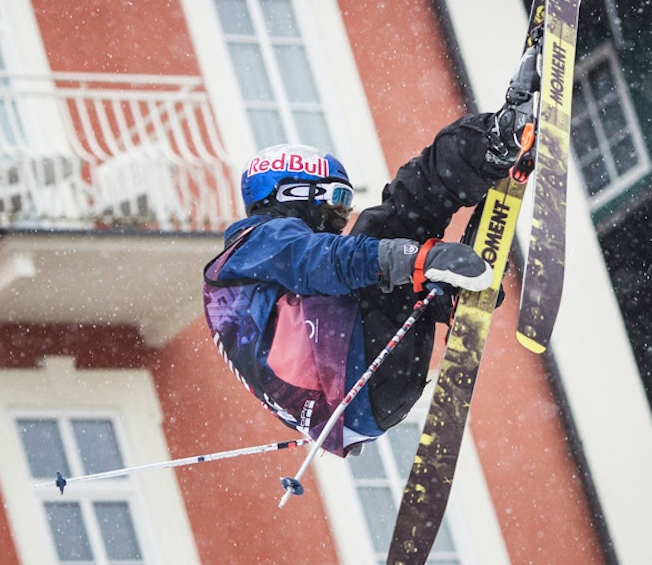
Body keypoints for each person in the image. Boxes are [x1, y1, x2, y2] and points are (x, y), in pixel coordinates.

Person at [203, 52, 539, 456]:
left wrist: (432, 287)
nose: (338, 217)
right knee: (401, 211)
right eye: (335, 201)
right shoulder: (256, 242)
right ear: (293, 195)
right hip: (356, 370)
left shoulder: (246, 278)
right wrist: (420, 259)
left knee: (377, 261)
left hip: (374, 397)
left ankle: (447, 294)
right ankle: (497, 139)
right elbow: (319, 260)